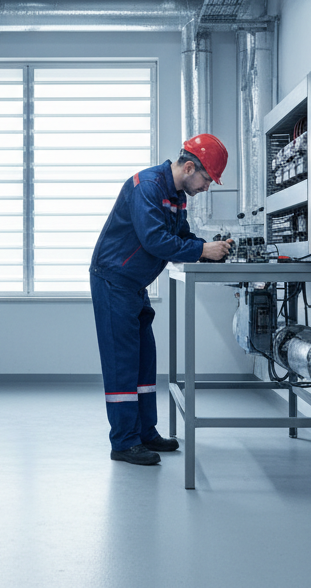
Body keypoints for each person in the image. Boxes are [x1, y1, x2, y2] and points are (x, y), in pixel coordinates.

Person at [89, 134, 232, 466]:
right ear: (188, 166)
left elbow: (179, 236)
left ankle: (145, 433)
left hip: (134, 284)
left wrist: (209, 250)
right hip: (114, 281)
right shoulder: (147, 186)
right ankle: (124, 442)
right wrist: (201, 251)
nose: (207, 187)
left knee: (144, 360)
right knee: (122, 362)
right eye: (207, 179)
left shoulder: (176, 196)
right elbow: (155, 240)